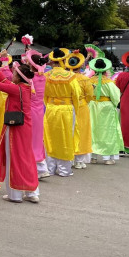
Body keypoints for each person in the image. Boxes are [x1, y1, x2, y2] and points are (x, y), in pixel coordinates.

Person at [0, 62, 40, 203]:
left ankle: (15, 195)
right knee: (26, 158)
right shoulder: (25, 87)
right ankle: (32, 192)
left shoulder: (16, 89)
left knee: (13, 159)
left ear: (19, 77)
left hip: (15, 128)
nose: (12, 76)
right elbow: (5, 81)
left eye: (14, 74)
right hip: (25, 128)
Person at [43, 48, 82, 177]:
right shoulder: (71, 76)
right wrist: (74, 108)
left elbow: (44, 94)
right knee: (65, 137)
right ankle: (64, 169)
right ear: (63, 60)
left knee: (49, 137)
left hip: (51, 108)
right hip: (66, 109)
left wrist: (49, 104)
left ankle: (50, 168)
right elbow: (76, 95)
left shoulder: (46, 76)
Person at [88, 57, 123, 164]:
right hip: (106, 106)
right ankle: (107, 158)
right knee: (108, 130)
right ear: (105, 69)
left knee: (93, 129)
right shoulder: (109, 82)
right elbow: (116, 97)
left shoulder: (89, 81)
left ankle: (93, 156)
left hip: (92, 105)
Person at [23, 50, 49, 178]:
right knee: (38, 139)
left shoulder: (29, 78)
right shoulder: (43, 77)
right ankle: (42, 167)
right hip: (40, 110)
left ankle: (36, 168)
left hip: (31, 110)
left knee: (30, 139)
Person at [65, 51, 93, 169]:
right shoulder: (84, 79)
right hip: (81, 106)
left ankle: (69, 158)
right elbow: (90, 95)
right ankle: (79, 160)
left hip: (68, 106)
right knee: (82, 131)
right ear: (80, 65)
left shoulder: (65, 77)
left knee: (69, 131)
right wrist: (83, 101)